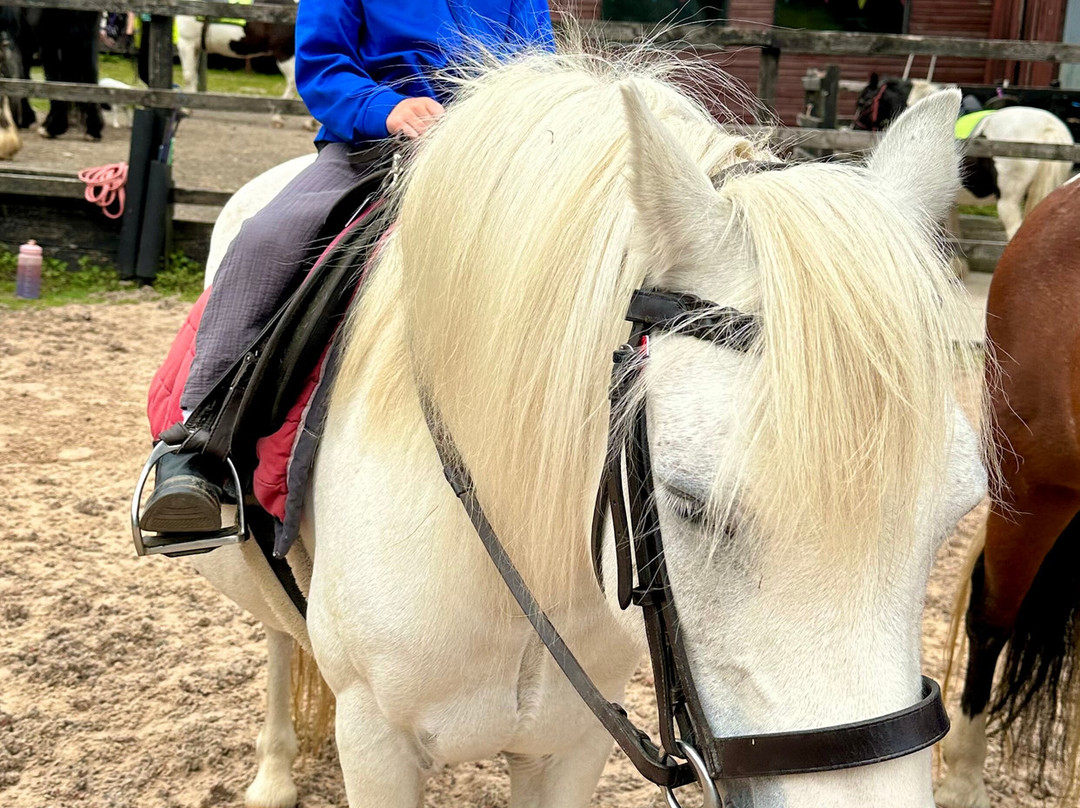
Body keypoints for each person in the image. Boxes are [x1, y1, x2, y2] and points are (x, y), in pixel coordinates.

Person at [139, 0, 554, 539]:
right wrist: (387, 108)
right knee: (270, 237)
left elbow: (538, 67)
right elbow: (323, 64)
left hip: (499, 153)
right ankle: (200, 443)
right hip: (375, 146)